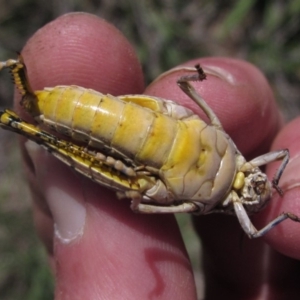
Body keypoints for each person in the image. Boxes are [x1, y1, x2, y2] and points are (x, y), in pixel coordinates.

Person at [18, 12, 300, 299]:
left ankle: (19, 124)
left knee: (132, 187)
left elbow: (250, 231)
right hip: (140, 117)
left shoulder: (219, 201)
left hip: (145, 172)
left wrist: (285, 215)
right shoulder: (238, 154)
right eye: (269, 181)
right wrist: (195, 80)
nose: (261, 191)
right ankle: (31, 104)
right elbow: (285, 155)